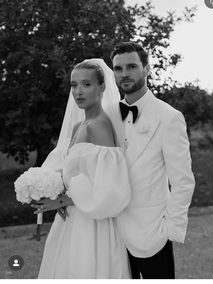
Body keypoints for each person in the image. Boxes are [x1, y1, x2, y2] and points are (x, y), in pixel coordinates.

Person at [31, 59, 131, 279]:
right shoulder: (79, 126)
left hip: (93, 224)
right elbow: (77, 172)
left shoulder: (99, 126)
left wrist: (62, 200)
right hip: (74, 218)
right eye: (74, 85)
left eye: (86, 84)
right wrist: (52, 189)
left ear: (102, 87)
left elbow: (109, 187)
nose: (78, 91)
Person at [110, 42, 195, 279]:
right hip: (113, 234)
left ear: (147, 69)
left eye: (131, 66)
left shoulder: (169, 118)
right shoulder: (108, 116)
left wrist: (170, 229)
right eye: (118, 68)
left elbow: (183, 181)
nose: (124, 74)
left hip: (152, 234)